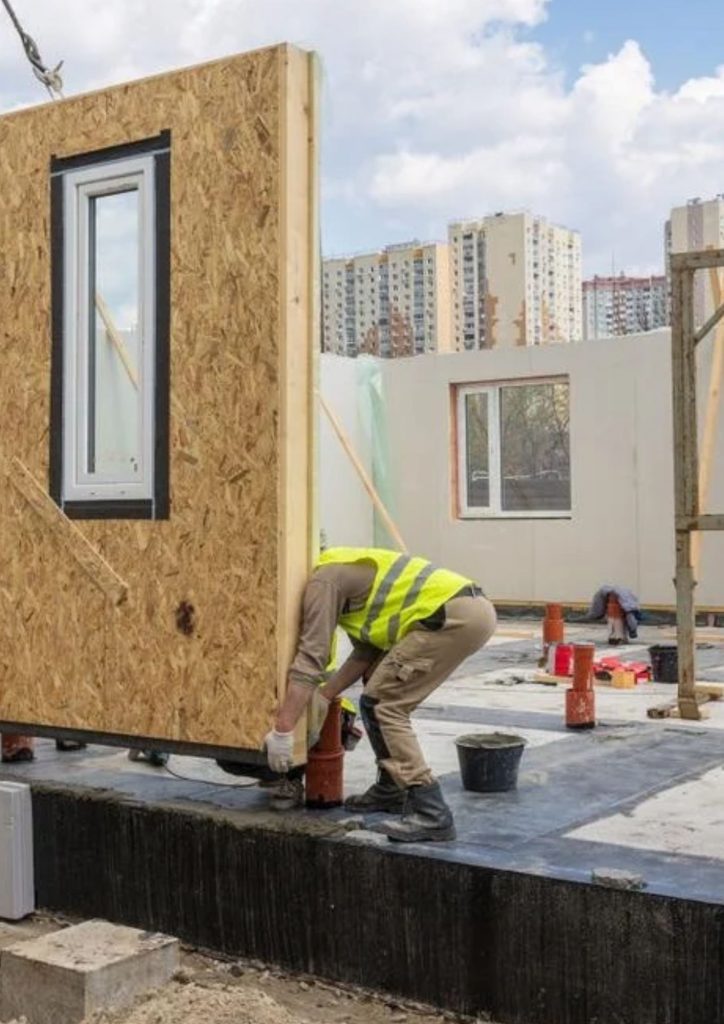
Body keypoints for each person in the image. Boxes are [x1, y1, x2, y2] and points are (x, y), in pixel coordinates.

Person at [264, 547, 496, 843]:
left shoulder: (324, 581)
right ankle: (391, 789)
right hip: (466, 611)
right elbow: (366, 650)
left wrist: (283, 731)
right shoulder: (344, 569)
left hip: (450, 616)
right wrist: (326, 694)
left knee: (385, 704)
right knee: (374, 698)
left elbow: (311, 659)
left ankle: (431, 811)